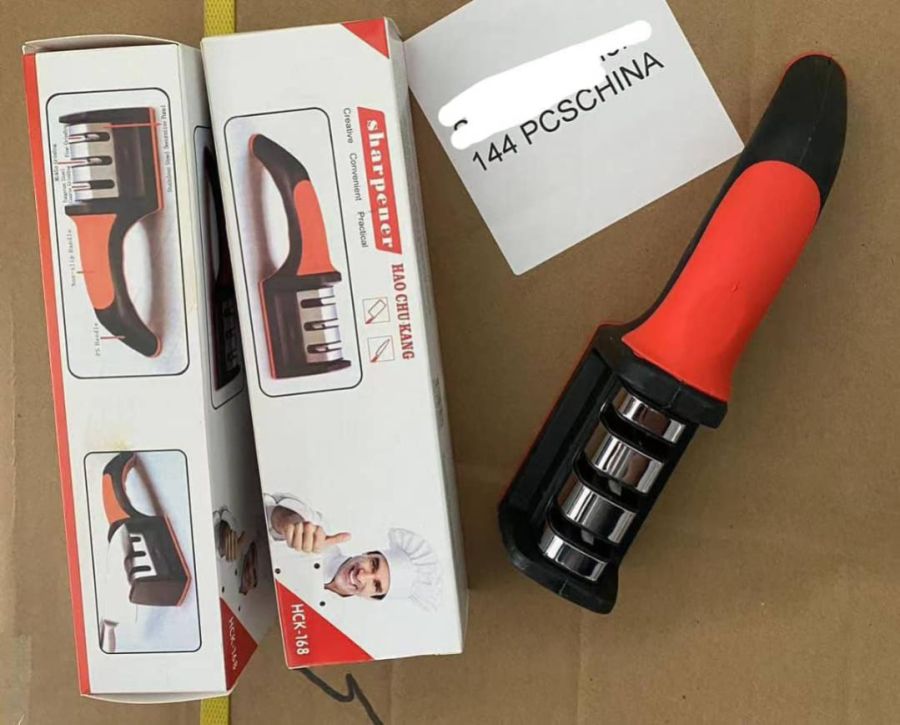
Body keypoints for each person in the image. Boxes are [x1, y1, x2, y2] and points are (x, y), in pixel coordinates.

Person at [263, 492, 442, 610]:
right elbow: (279, 511)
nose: (362, 576)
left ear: (372, 598)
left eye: (376, 585)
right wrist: (291, 524)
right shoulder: (323, 534)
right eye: (373, 564)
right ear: (367, 553)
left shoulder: (332, 624)